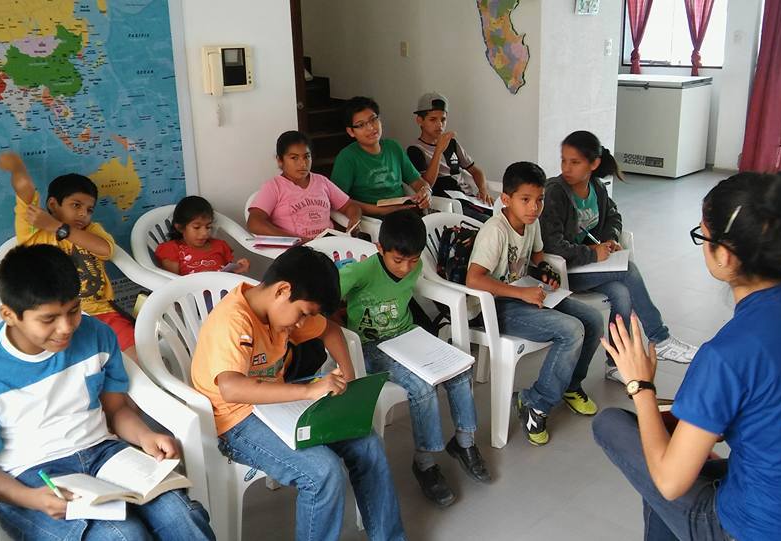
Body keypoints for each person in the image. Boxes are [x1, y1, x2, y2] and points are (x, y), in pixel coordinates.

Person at [592, 171, 781, 541]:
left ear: (723, 252)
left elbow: (670, 483)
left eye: (702, 235)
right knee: (669, 458)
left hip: (758, 530)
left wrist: (640, 385)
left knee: (613, 425)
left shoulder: (727, 354)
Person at [0, 244, 215, 540]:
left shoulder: (97, 335)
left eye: (73, 311)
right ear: (9, 314)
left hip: (102, 452)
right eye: (48, 319)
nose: (66, 328)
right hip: (29, 475)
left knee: (181, 516)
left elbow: (116, 410)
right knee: (122, 535)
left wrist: (145, 436)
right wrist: (33, 499)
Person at [190, 246, 406, 541]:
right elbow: (231, 388)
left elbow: (330, 330)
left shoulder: (278, 309)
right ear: (282, 290)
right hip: (235, 420)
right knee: (322, 472)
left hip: (277, 404)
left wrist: (348, 375)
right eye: (303, 314)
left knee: (367, 443)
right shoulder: (234, 320)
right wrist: (308, 390)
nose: (302, 323)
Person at [340, 210, 491, 507]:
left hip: (408, 336)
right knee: (422, 388)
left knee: (460, 369)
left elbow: (412, 278)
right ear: (380, 249)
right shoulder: (362, 271)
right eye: (398, 260)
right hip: (372, 345)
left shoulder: (415, 264)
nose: (406, 268)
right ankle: (425, 463)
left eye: (413, 260)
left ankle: (464, 443)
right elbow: (325, 294)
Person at [465, 162, 607, 446]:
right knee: (571, 331)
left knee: (593, 320)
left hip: (524, 293)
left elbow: (537, 256)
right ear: (506, 199)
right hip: (495, 307)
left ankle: (570, 385)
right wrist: (521, 294)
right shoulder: (496, 231)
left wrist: (544, 272)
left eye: (539, 199)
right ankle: (535, 402)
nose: (534, 207)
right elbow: (474, 279)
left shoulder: (531, 223)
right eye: (526, 200)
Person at [540, 130, 699, 382]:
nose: (566, 168)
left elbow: (614, 217)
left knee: (622, 293)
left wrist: (610, 238)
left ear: (593, 164)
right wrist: (593, 252)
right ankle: (659, 338)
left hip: (589, 267)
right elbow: (553, 246)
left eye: (575, 162)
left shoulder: (597, 188)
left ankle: (615, 364)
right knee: (629, 270)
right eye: (564, 160)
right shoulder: (555, 192)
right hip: (563, 270)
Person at [0, 152, 140, 363]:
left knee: (137, 359)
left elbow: (106, 250)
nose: (83, 214)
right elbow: (25, 188)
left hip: (102, 313)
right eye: (76, 205)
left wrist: (58, 227)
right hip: (55, 319)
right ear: (53, 204)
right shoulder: (35, 232)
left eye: (89, 209)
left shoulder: (91, 230)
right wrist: (17, 165)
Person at [247, 130, 362, 240]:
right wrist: (294, 239)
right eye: (294, 158)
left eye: (307, 156)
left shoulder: (321, 181)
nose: (303, 164)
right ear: (280, 160)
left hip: (328, 244)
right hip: (296, 248)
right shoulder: (274, 186)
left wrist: (354, 221)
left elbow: (350, 206)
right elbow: (254, 223)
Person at [330, 96, 432, 217]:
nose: (371, 128)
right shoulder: (347, 157)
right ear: (351, 131)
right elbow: (339, 200)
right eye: (361, 125)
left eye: (373, 119)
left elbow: (417, 181)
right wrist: (381, 211)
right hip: (372, 220)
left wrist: (426, 191)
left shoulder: (393, 147)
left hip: (404, 213)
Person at [406, 92, 493, 222]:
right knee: (490, 222)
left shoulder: (451, 143)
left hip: (468, 198)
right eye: (433, 119)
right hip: (448, 204)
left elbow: (475, 171)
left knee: (508, 216)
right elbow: (426, 184)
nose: (439, 125)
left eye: (443, 119)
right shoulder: (415, 150)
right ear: (420, 120)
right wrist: (438, 150)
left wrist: (483, 190)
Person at [154, 195, 251, 275]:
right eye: (196, 227)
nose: (205, 233)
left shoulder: (220, 245)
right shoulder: (171, 249)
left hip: (224, 290)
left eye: (208, 227)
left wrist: (237, 269)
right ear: (180, 227)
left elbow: (228, 276)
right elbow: (171, 282)